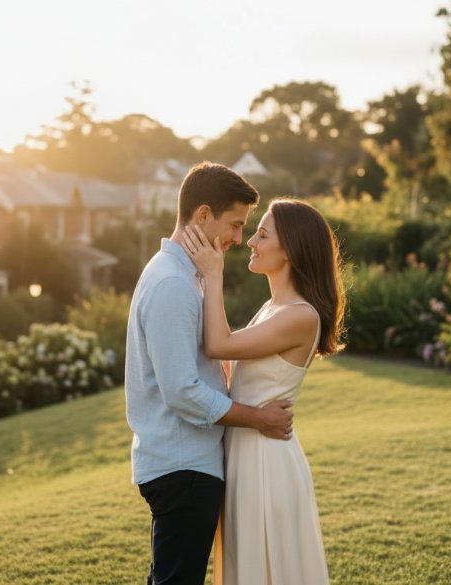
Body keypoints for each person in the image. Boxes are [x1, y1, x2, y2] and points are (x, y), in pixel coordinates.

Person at [125, 161, 295, 585]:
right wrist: (258, 418)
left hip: (185, 466)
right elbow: (182, 392)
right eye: (236, 225)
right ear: (203, 215)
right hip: (184, 468)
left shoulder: (187, 276)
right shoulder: (173, 284)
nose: (240, 238)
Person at [182, 197, 346, 585]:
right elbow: (227, 366)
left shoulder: (300, 315)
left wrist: (212, 272)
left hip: (266, 461)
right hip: (245, 453)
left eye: (263, 233)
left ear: (290, 249)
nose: (251, 241)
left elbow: (219, 345)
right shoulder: (271, 308)